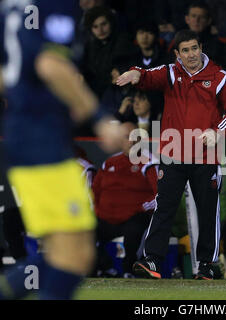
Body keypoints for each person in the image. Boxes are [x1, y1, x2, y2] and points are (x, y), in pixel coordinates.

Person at [0, 1, 124, 300]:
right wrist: (98, 118)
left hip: (32, 137)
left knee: (73, 252)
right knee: (73, 255)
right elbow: (50, 65)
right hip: (41, 143)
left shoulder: (13, 9)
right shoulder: (54, 4)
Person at [116, 29, 226, 280]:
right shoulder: (172, 73)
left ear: (201, 47)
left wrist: (218, 132)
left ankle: (208, 264)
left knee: (208, 211)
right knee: (164, 207)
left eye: (194, 48)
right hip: (173, 154)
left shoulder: (219, 77)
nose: (191, 54)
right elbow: (148, 77)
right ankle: (152, 260)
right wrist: (135, 74)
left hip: (205, 156)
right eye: (185, 50)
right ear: (178, 54)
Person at [92, 122, 158, 277]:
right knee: (85, 231)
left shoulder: (149, 162)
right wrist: (96, 210)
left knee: (134, 231)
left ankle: (130, 270)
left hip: (133, 218)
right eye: (127, 137)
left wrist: (141, 207)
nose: (132, 141)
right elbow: (94, 192)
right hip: (106, 218)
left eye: (136, 137)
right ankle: (106, 268)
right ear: (120, 140)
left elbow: (160, 195)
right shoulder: (109, 163)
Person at [81, 6, 135, 98]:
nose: (100, 30)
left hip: (118, 93)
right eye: (95, 27)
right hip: (97, 93)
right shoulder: (90, 46)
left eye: (104, 24)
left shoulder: (123, 40)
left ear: (111, 23)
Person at [167, 1, 225, 66]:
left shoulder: (217, 45)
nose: (197, 20)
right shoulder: (176, 42)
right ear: (187, 19)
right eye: (193, 16)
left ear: (208, 21)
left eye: (202, 17)